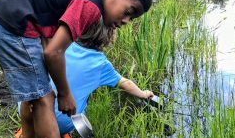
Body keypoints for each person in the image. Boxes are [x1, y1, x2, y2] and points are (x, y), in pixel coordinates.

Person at [0, 0, 152, 138]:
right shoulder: (90, 6)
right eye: (128, 12)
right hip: (10, 26)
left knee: (36, 94)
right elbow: (53, 52)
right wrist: (65, 94)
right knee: (44, 99)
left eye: (132, 19)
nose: (125, 21)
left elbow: (47, 40)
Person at [16, 25, 154, 137]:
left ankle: (29, 131)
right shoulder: (101, 64)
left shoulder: (60, 45)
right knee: (74, 108)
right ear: (109, 38)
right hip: (61, 122)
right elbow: (126, 83)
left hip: (27, 106)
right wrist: (143, 93)